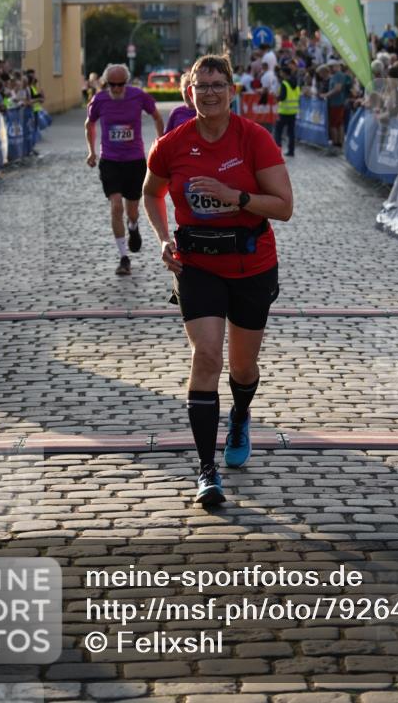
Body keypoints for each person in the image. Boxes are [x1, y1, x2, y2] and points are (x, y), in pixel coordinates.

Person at [142, 54, 293, 506]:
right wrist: (163, 238)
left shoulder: (254, 139)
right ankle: (207, 471)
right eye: (201, 85)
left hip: (251, 265)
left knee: (242, 367)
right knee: (207, 356)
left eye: (217, 84)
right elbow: (151, 194)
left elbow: (283, 207)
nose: (209, 92)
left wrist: (236, 197)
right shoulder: (171, 145)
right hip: (197, 265)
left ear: (232, 91)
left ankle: (241, 414)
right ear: (189, 92)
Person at [86, 63, 164, 276]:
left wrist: (161, 142)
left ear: (126, 83)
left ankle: (133, 225)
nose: (117, 88)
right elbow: (89, 124)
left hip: (134, 160)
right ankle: (123, 257)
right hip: (110, 160)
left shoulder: (139, 96)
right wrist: (91, 152)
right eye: (113, 84)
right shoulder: (99, 100)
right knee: (116, 206)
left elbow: (157, 116)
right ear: (106, 83)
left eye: (121, 84)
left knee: (132, 209)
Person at [274, 65, 301, 157]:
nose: (280, 74)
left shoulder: (284, 83)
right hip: (293, 112)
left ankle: (277, 151)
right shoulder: (296, 83)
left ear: (284, 73)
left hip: (284, 111)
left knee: (278, 131)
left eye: (281, 72)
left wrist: (277, 98)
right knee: (291, 132)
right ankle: (291, 150)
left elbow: (283, 97)